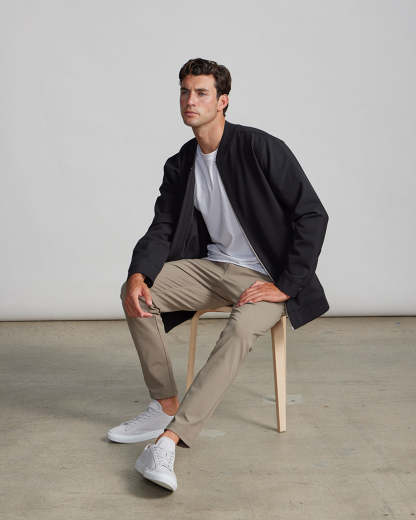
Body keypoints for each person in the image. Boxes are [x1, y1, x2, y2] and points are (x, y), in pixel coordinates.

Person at [108, 58, 330, 491]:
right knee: (137, 293)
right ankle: (163, 404)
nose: (190, 101)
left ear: (223, 101)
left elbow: (312, 214)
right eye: (185, 92)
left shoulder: (260, 147)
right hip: (211, 266)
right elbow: (163, 226)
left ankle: (169, 440)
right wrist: (139, 273)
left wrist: (286, 284)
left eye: (201, 93)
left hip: (265, 276)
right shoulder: (181, 163)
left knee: (241, 327)